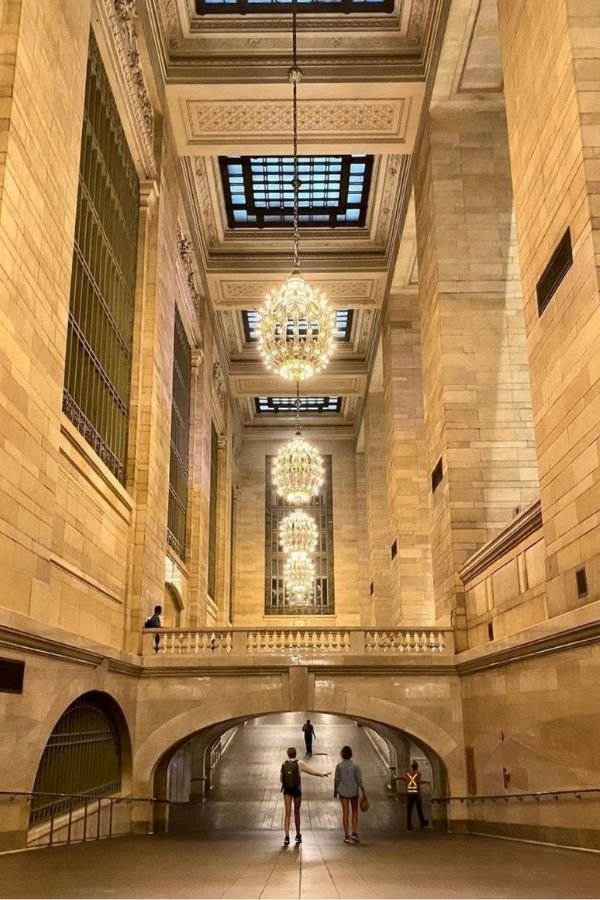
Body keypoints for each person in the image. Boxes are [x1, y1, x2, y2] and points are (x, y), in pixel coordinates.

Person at [280, 746, 330, 846]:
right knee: (297, 812)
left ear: (288, 754)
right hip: (297, 790)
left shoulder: (284, 765)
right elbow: (311, 771)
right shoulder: (300, 763)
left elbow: (281, 779)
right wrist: (322, 774)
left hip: (287, 791)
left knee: (287, 813)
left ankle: (286, 836)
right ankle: (298, 834)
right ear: (295, 754)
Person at [334, 745, 367, 844]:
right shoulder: (355, 766)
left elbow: (336, 779)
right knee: (355, 811)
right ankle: (354, 832)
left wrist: (335, 790)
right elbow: (359, 780)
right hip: (353, 791)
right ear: (351, 754)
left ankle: (346, 835)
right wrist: (363, 791)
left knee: (345, 813)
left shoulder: (339, 766)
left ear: (342, 754)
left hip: (343, 792)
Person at [401, 760, 429, 831]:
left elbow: (405, 780)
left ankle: (409, 825)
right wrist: (419, 795)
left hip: (409, 794)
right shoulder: (418, 774)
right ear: (417, 767)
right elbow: (418, 784)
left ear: (412, 767)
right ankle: (422, 822)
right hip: (416, 794)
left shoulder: (407, 774)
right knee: (419, 809)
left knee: (409, 810)